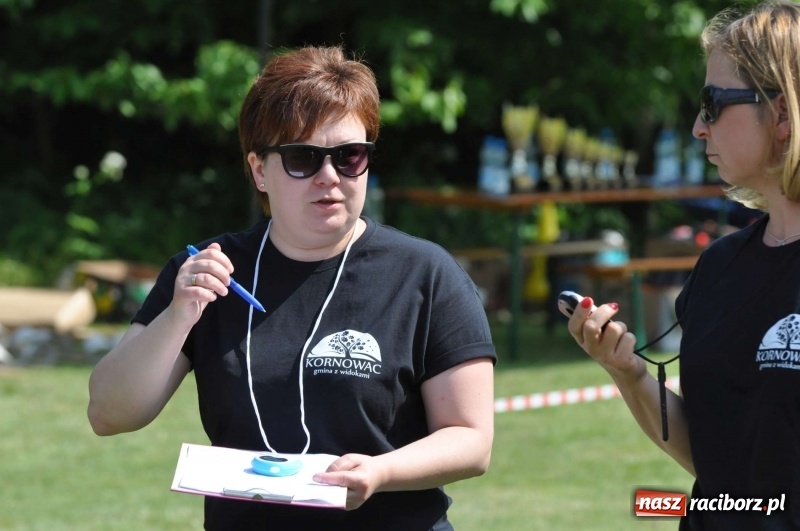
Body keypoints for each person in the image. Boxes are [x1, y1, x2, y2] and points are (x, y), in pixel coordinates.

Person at [87, 45, 496, 531]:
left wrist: (381, 471)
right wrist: (179, 313)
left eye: (350, 157)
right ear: (260, 170)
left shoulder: (426, 274)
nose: (329, 177)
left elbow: (471, 439)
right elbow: (109, 413)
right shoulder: (209, 272)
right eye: (303, 158)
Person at [566, 1, 800, 529]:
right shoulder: (719, 265)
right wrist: (626, 373)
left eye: (712, 103)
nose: (698, 127)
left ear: (782, 114)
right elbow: (718, 464)